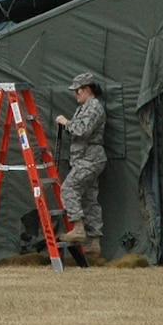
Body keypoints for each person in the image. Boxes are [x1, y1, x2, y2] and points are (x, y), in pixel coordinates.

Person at [52, 72, 105, 248]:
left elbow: (82, 130)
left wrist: (65, 122)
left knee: (69, 188)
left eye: (78, 90)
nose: (76, 94)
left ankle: (78, 228)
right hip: (84, 158)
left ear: (87, 89)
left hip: (89, 159)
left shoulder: (94, 107)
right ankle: (95, 243)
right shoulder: (85, 107)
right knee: (90, 199)